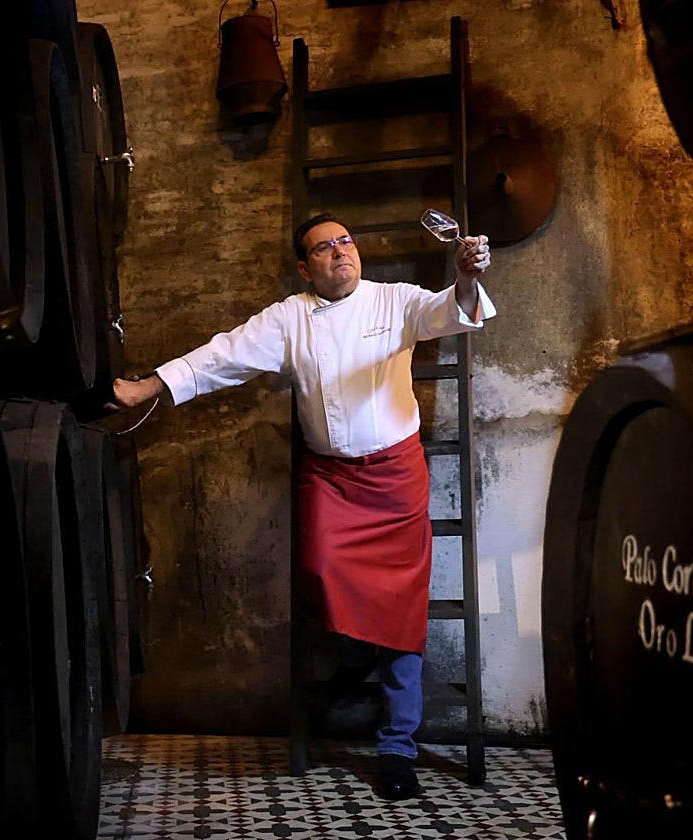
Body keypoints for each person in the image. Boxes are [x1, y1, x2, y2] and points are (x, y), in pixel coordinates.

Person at [111, 213, 495, 801]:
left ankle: (397, 744)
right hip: (331, 479)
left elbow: (451, 309)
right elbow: (223, 355)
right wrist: (149, 386)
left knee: (400, 613)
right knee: (318, 567)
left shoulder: (394, 300)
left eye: (346, 242)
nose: (339, 253)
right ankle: (354, 651)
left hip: (394, 479)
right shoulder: (290, 316)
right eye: (323, 248)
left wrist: (466, 278)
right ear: (303, 265)